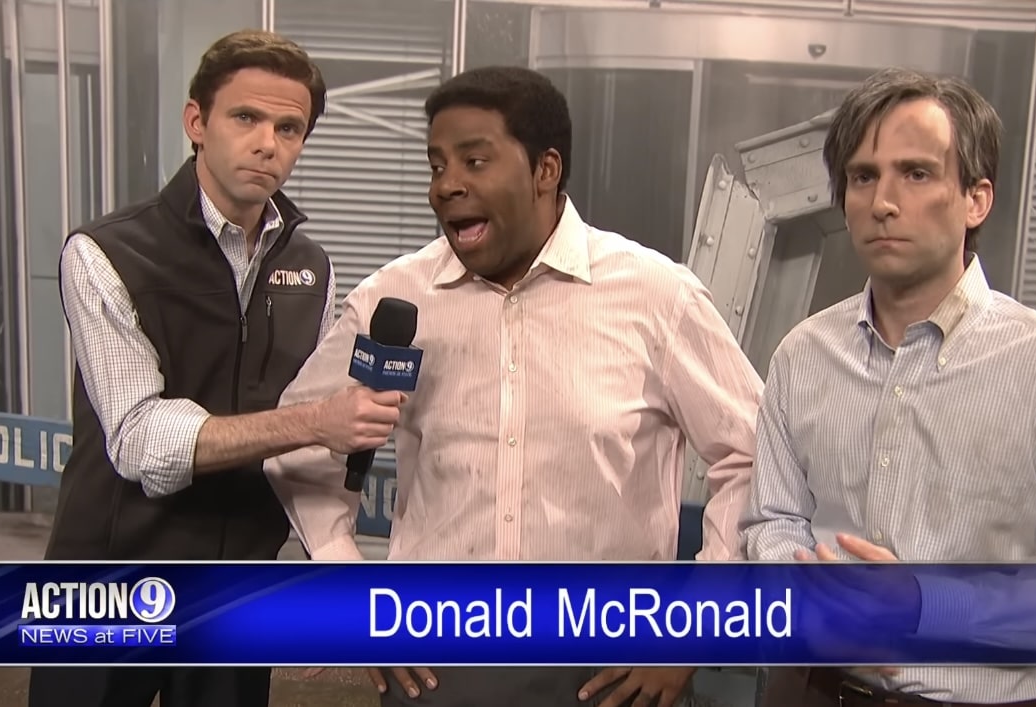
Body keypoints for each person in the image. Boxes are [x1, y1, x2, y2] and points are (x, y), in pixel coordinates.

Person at [265, 65, 764, 706]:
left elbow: (751, 452)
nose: (447, 186)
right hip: (439, 669)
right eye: (437, 165)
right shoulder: (395, 297)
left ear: (545, 170)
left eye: (474, 161)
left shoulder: (657, 295)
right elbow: (300, 438)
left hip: (611, 671)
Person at [740, 67, 1036, 707]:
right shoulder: (803, 356)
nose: (883, 202)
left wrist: (926, 604)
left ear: (976, 199)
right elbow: (771, 521)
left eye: (916, 173)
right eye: (862, 177)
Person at [28, 30, 405, 707]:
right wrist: (314, 421)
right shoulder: (104, 253)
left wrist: (333, 568)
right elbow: (140, 441)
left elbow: (311, 451)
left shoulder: (311, 268)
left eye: (289, 128)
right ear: (196, 122)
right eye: (246, 118)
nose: (268, 143)